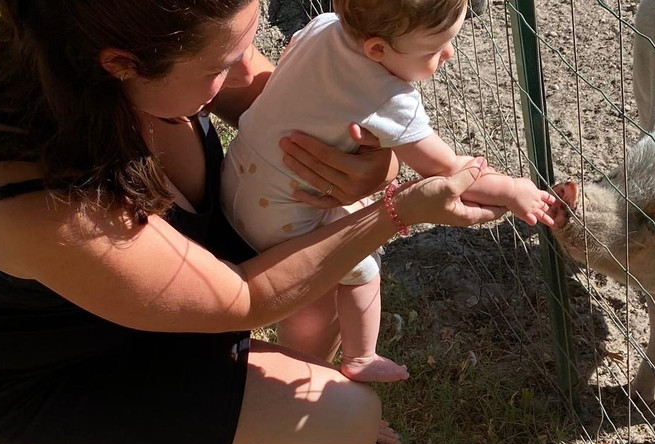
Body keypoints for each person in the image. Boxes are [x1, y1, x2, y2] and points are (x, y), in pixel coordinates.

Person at [0, 0, 502, 444]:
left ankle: (253, 410)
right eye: (220, 66)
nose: (244, 67)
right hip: (56, 372)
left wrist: (372, 165)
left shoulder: (155, 38)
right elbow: (243, 297)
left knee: (322, 276)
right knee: (346, 427)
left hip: (156, 294)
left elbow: (287, 112)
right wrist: (395, 211)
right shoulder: (28, 191)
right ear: (120, 62)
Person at [222, 0, 555, 383]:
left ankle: (301, 364)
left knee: (341, 238)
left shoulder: (323, 26)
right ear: (377, 50)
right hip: (278, 218)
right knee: (362, 265)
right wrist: (513, 190)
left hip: (235, 179)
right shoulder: (387, 97)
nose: (448, 54)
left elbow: (291, 55)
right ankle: (358, 357)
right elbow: (451, 172)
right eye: (434, 49)